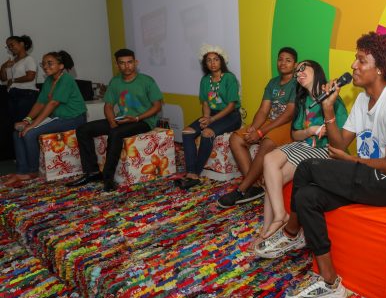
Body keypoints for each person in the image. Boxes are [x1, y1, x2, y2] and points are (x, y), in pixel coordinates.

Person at [254, 31, 386, 298]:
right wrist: (329, 109)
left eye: (361, 61)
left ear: (379, 69)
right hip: (369, 176)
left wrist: (350, 160)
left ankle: (290, 233)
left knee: (307, 168)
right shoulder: (361, 101)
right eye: (355, 59)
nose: (353, 66)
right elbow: (339, 142)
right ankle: (330, 282)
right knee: (307, 197)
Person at [251, 60, 348, 247]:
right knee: (270, 166)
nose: (299, 73)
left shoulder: (333, 99)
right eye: (297, 72)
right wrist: (310, 130)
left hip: (324, 151)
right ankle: (271, 225)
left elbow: (342, 141)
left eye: (303, 68)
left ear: (316, 70)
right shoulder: (302, 100)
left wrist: (328, 127)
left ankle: (277, 220)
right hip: (303, 146)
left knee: (273, 171)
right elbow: (295, 134)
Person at [66, 48, 163, 192]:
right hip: (123, 119)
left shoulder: (147, 81)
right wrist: (111, 121)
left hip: (143, 121)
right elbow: (108, 105)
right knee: (83, 129)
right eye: (122, 63)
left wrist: (137, 118)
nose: (126, 66)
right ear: (117, 65)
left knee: (116, 133)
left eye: (130, 62)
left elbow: (157, 106)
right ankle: (92, 172)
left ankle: (108, 178)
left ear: (136, 63)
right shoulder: (115, 81)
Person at [217, 47, 298, 207]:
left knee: (266, 143)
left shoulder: (297, 83)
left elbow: (289, 114)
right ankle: (255, 186)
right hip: (271, 121)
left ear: (295, 65)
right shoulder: (273, 82)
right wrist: (253, 128)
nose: (283, 63)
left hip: (288, 124)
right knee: (236, 138)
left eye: (288, 60)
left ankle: (241, 190)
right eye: (280, 59)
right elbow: (263, 110)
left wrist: (261, 132)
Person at [4, 51, 86, 185]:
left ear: (61, 66)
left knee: (29, 133)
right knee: (17, 133)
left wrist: (32, 125)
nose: (45, 66)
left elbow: (53, 103)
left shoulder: (66, 79)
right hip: (58, 118)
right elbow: (40, 103)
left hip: (74, 119)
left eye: (50, 63)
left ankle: (32, 171)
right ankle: (21, 171)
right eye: (43, 64)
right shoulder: (49, 80)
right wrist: (27, 120)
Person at [177, 45, 242, 190]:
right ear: (205, 64)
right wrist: (206, 118)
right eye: (209, 60)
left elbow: (231, 105)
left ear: (222, 61)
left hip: (231, 116)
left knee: (207, 134)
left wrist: (211, 121)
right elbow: (205, 103)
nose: (212, 63)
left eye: (216, 59)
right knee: (187, 132)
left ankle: (194, 173)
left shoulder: (229, 78)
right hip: (212, 115)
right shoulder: (205, 80)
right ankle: (191, 171)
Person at [1, 35, 38, 124]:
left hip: (25, 94)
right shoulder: (11, 61)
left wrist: (13, 80)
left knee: (22, 123)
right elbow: (3, 79)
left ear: (21, 44)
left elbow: (30, 77)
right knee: (14, 123)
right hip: (12, 94)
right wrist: (3, 67)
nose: (10, 48)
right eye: (8, 46)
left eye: (12, 45)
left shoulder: (29, 59)